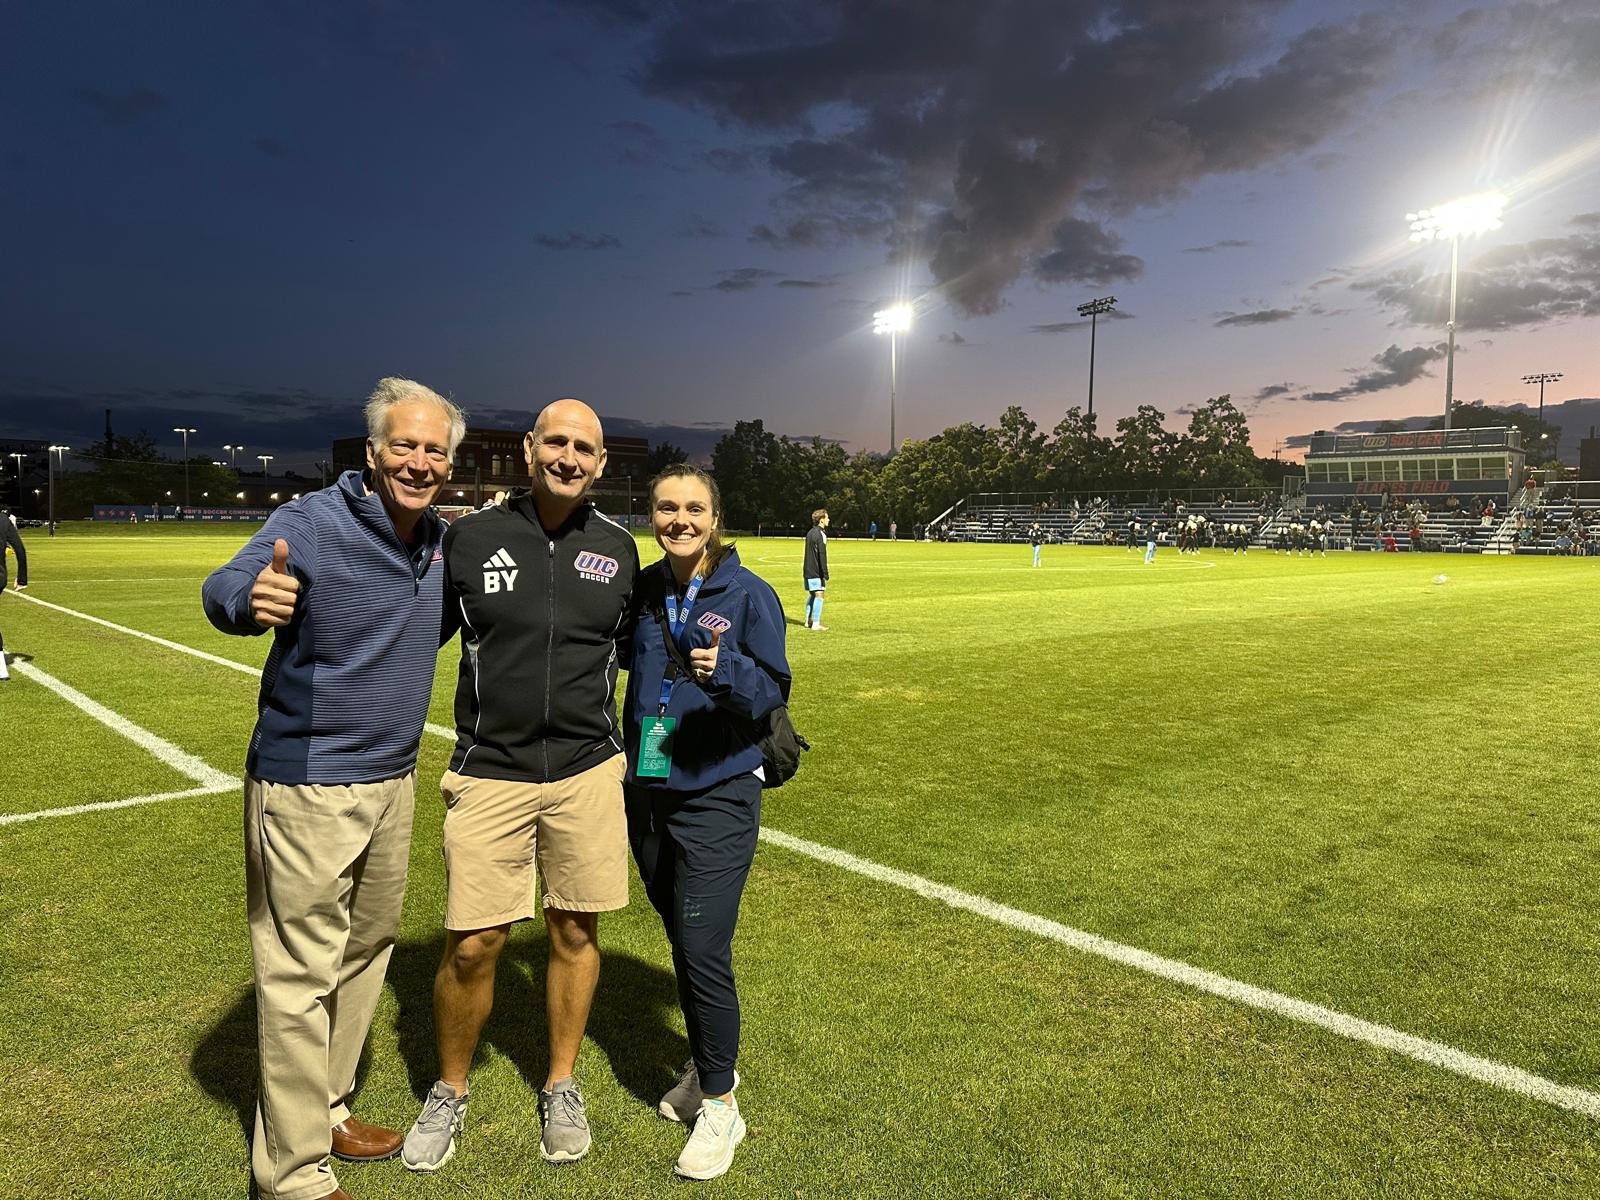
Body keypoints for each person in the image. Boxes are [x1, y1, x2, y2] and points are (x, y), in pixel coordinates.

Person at [201, 377, 464, 1200]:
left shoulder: (443, 542)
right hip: (309, 782)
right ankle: (290, 1173)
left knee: (364, 952)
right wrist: (253, 597)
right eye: (405, 446)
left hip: (393, 780)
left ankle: (328, 1108)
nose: (419, 462)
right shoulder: (309, 522)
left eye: (435, 450)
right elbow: (226, 587)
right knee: (297, 975)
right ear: (375, 451)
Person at [402, 399, 639, 1172]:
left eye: (586, 448)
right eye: (557, 442)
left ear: (602, 465)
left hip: (586, 771)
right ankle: (450, 1089)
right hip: (490, 771)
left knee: (574, 931)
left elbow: (652, 651)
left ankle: (561, 1082)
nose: (570, 457)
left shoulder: (618, 549)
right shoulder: (468, 540)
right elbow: (407, 631)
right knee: (475, 943)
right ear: (530, 451)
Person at [622, 464, 790, 1180]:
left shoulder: (749, 593)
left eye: (694, 508)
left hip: (718, 792)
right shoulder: (644, 588)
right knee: (680, 936)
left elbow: (775, 691)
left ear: (714, 517)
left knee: (700, 945)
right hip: (649, 790)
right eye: (667, 508)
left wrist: (726, 671)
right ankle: (704, 1061)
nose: (680, 519)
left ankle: (720, 1103)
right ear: (652, 515)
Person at [803, 508, 829, 630]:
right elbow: (821, 554)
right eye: (827, 517)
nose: (829, 520)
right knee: (819, 594)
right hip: (816, 570)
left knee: (813, 594)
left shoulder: (810, 533)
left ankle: (808, 621)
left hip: (807, 569)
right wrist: (824, 572)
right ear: (822, 520)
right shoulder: (821, 534)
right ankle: (816, 623)